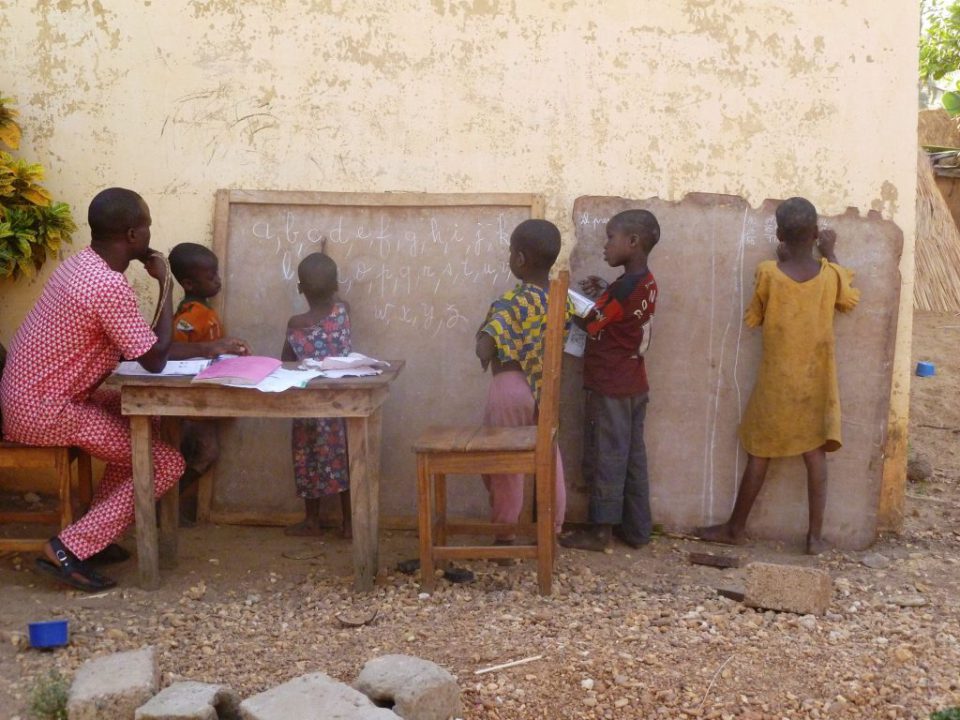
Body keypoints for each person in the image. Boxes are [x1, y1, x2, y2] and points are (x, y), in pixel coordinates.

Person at [0, 188, 240, 591]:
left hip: (36, 397)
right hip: (46, 410)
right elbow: (154, 359)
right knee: (166, 464)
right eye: (147, 226)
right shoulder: (108, 286)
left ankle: (94, 535)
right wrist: (166, 285)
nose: (150, 234)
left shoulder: (81, 265)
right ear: (132, 235)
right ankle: (67, 548)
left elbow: (142, 348)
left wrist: (207, 348)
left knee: (145, 418)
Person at [697, 197, 859, 554]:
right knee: (815, 454)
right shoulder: (830, 275)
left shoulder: (769, 272)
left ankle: (735, 528)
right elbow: (847, 300)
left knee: (760, 452)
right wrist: (831, 253)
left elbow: (755, 316)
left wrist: (781, 261)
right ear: (816, 234)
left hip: (776, 382)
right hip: (816, 383)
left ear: (779, 235)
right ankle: (814, 537)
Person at [560, 209, 659, 552]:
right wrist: (604, 292)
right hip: (633, 383)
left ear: (632, 242)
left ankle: (600, 532)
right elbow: (622, 313)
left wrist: (564, 302)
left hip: (610, 385)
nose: (605, 245)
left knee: (606, 456)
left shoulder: (623, 289)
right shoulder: (644, 282)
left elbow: (592, 324)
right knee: (632, 457)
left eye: (610, 238)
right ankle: (637, 529)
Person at [475, 219, 567, 549]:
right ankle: (552, 530)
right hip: (546, 390)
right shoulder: (560, 300)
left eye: (510, 252)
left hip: (510, 388)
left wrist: (482, 338)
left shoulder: (512, 301)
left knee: (503, 464)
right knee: (549, 458)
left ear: (520, 259)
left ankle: (505, 535)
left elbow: (486, 347)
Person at [168, 242, 250, 524]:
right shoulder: (189, 317)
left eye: (217, 273)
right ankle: (165, 504)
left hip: (206, 399)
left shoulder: (205, 311)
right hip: (191, 403)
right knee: (196, 454)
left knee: (203, 454)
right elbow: (174, 355)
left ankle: (168, 504)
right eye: (211, 275)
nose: (217, 280)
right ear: (189, 283)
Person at [280, 247, 352, 538]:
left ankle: (312, 521)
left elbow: (286, 361)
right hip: (340, 405)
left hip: (308, 405)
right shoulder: (344, 311)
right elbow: (335, 300)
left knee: (306, 460)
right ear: (336, 285)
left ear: (300, 288)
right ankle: (349, 524)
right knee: (345, 461)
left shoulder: (296, 324)